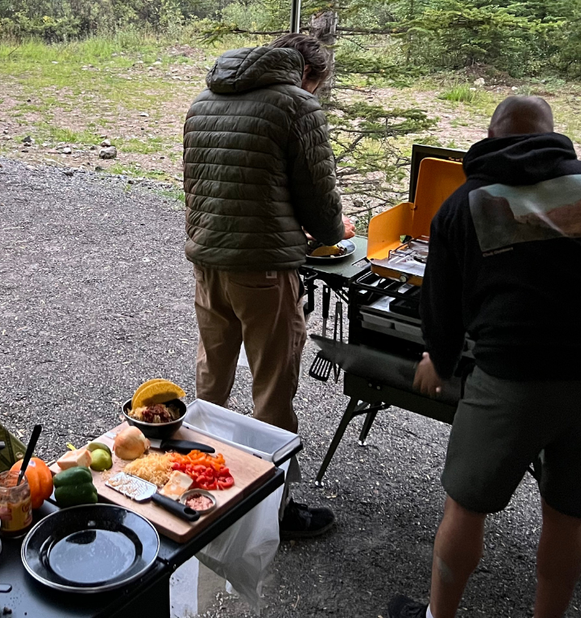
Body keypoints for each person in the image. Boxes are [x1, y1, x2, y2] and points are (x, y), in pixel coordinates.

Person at [387, 96, 581, 618]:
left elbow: (439, 306)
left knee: (466, 505)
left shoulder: (464, 203)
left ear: (489, 138)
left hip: (510, 377)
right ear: (552, 136)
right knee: (566, 518)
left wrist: (440, 361)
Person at [183, 33, 352, 538]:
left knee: (213, 373)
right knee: (273, 387)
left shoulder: (205, 99)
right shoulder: (296, 105)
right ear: (307, 75)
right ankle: (270, 512)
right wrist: (328, 236)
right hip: (262, 269)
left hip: (208, 260)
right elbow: (319, 197)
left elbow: (201, 184)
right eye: (317, 86)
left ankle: (196, 485)